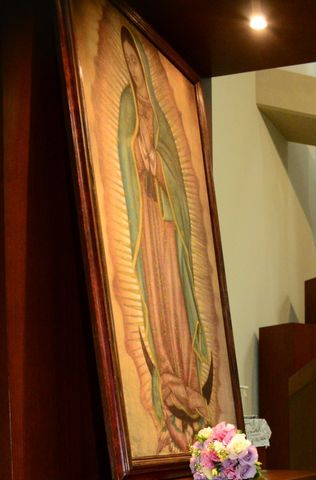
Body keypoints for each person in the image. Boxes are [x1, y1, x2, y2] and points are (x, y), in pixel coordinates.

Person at [119, 26, 213, 452]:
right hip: (147, 226)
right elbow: (123, 160)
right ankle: (169, 380)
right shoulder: (125, 107)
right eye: (130, 62)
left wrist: (161, 168)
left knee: (175, 301)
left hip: (169, 227)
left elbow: (174, 173)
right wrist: (137, 163)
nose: (136, 71)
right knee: (156, 303)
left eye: (138, 62)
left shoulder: (159, 114)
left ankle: (185, 377)